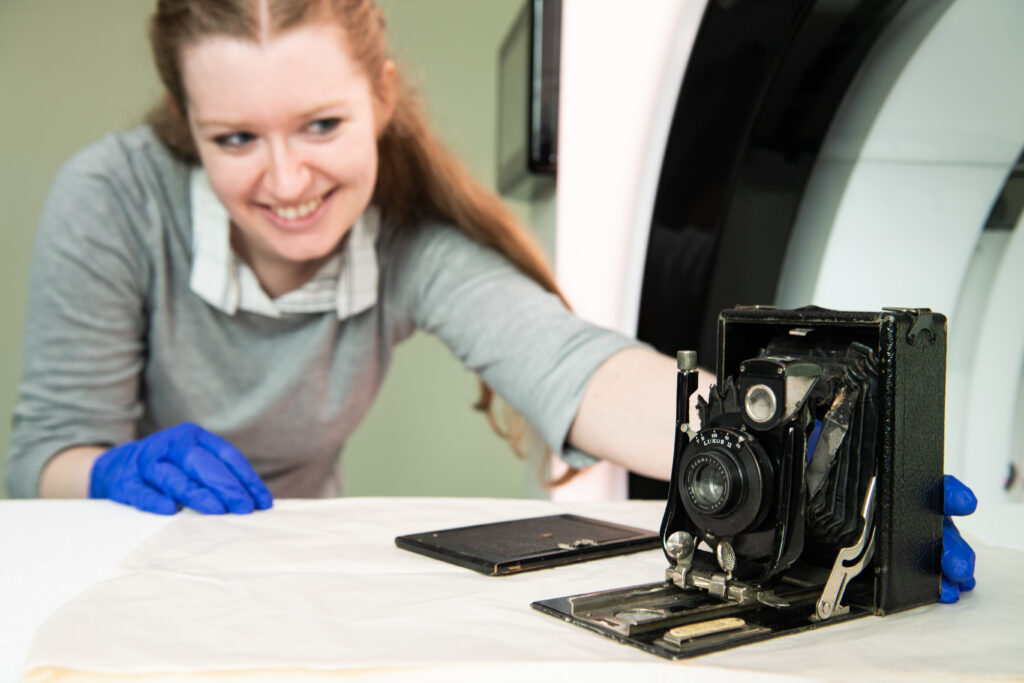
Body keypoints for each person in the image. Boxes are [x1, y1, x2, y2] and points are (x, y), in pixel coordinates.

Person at [4, 0, 974, 602]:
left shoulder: (407, 236)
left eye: (322, 123)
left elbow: (574, 368)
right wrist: (108, 472)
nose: (287, 179)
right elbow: (43, 455)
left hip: (287, 565)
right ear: (187, 125)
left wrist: (821, 464)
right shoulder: (113, 197)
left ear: (381, 97)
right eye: (234, 140)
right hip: (120, 568)